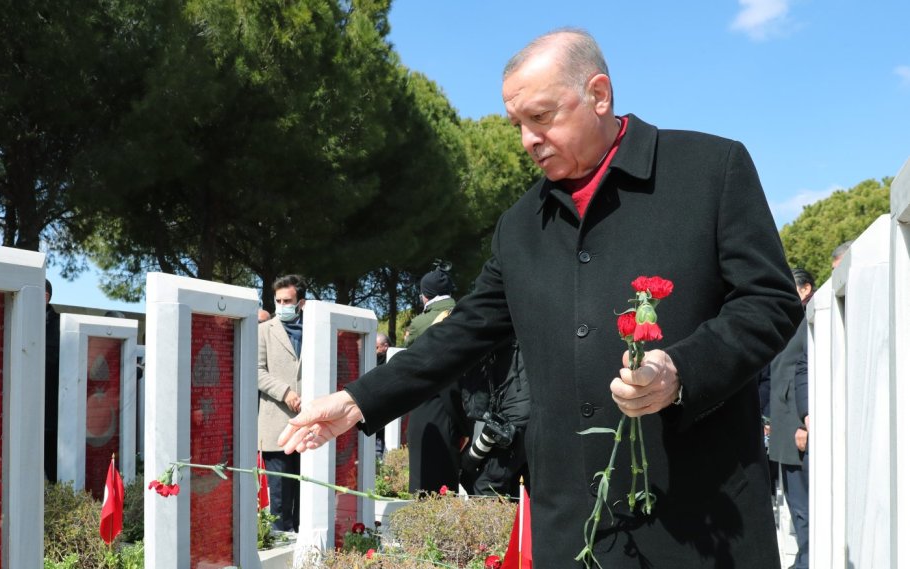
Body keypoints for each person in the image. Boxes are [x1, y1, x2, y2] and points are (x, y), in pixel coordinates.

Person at [278, 28, 803, 568]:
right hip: (573, 527)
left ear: (599, 94)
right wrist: (357, 399)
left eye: (542, 117)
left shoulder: (709, 170)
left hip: (701, 518)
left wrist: (681, 371)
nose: (528, 139)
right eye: (517, 125)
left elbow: (769, 301)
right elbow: (465, 330)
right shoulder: (521, 226)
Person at [760, 268, 813, 569]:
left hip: (797, 428)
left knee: (805, 507)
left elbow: (803, 376)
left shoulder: (811, 321)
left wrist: (803, 422)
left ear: (805, 290)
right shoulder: (789, 322)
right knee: (795, 504)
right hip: (782, 428)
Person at [404, 262, 468, 494]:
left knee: (425, 484)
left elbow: (409, 354)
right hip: (463, 406)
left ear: (424, 295)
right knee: (448, 479)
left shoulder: (420, 323)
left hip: (429, 405)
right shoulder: (465, 312)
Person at [257, 274, 307, 532]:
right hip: (277, 424)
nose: (282, 305)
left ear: (301, 303)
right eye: (278, 300)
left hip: (309, 426)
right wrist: (285, 391)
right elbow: (256, 371)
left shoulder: (315, 331)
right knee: (279, 499)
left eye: (287, 300)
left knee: (307, 497)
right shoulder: (264, 330)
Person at [459, 339, 530, 497]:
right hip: (529, 417)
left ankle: (489, 521)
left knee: (486, 485)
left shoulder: (506, 333)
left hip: (514, 420)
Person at [44, 279, 61, 483]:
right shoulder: (18, 318)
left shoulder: (62, 326)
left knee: (53, 467)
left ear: (45, 297)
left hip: (51, 414)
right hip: (21, 412)